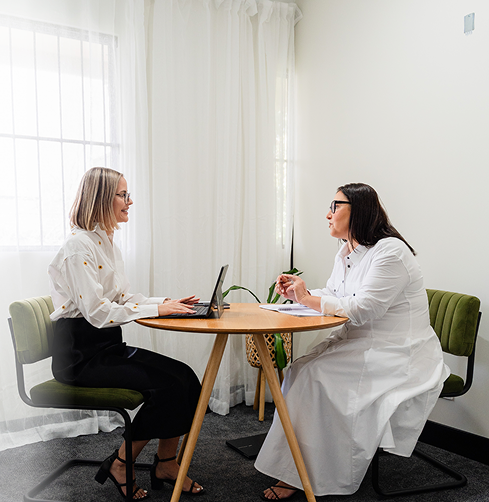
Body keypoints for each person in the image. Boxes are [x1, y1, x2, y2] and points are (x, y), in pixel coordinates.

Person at [255, 183, 449, 500]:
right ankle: (298, 467)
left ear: (358, 210)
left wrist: (306, 297)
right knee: (298, 371)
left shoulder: (391, 252)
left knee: (314, 379)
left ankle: (310, 475)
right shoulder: (347, 250)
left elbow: (364, 308)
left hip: (398, 352)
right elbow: (336, 294)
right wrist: (300, 294)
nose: (327, 214)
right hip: (361, 342)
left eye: (335, 206)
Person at [48, 167, 205, 500]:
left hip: (105, 348)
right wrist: (155, 310)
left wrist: (165, 302)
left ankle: (166, 463)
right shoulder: (79, 249)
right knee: (166, 387)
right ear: (103, 198)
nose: (130, 201)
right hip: (80, 358)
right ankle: (121, 464)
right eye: (123, 194)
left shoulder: (106, 243)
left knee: (186, 378)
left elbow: (120, 300)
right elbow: (99, 313)